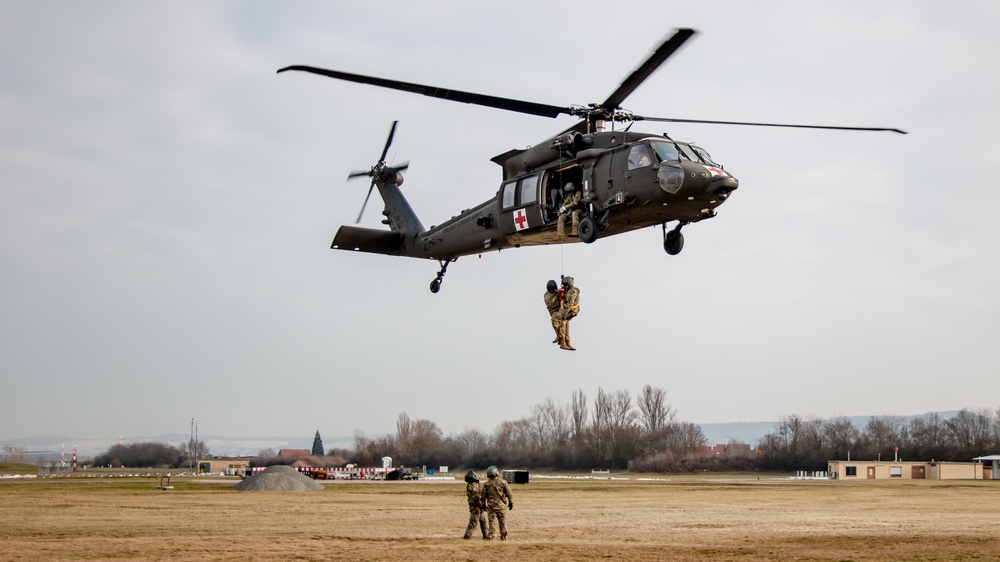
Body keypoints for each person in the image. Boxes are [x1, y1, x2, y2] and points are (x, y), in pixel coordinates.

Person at [480, 465, 513, 540]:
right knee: (503, 522)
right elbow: (509, 492)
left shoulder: (486, 484)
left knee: (492, 522)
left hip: (491, 507)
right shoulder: (503, 482)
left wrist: (483, 504)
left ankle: (492, 536)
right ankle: (504, 536)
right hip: (501, 506)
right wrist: (511, 502)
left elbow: (483, 496)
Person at [463, 470, 488, 540]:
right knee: (473, 523)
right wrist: (482, 505)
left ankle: (486, 535)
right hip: (476, 507)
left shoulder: (470, 485)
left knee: (483, 521)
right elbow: (477, 498)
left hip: (476, 507)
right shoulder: (474, 486)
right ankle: (467, 536)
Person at [559, 276, 580, 351]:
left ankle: (562, 341)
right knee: (566, 323)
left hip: (571, 310)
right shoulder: (568, 289)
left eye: (566, 285)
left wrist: (563, 315)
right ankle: (567, 342)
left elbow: (569, 304)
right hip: (568, 310)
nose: (565, 287)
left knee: (560, 320)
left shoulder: (572, 291)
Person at [544, 279, 564, 346]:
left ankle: (562, 339)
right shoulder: (546, 295)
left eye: (553, 290)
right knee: (556, 324)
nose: (553, 291)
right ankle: (558, 336)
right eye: (551, 290)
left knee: (563, 325)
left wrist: (562, 293)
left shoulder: (557, 291)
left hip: (560, 309)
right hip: (553, 311)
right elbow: (549, 303)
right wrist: (556, 296)